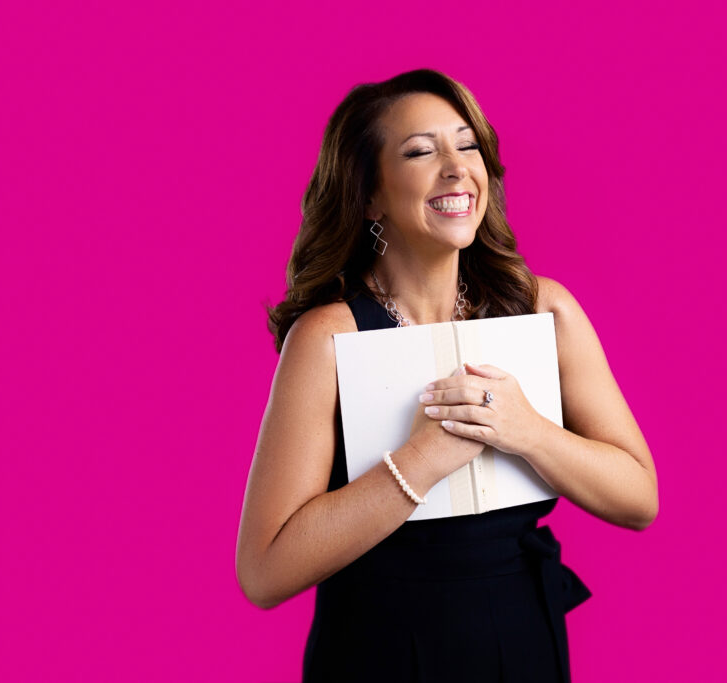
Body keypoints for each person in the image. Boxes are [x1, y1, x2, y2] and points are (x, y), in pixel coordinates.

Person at [236, 69, 658, 682]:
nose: (457, 167)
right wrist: (421, 461)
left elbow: (638, 498)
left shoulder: (545, 309)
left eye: (467, 145)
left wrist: (526, 430)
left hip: (521, 640)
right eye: (419, 151)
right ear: (371, 195)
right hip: (377, 650)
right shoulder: (329, 338)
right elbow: (265, 570)